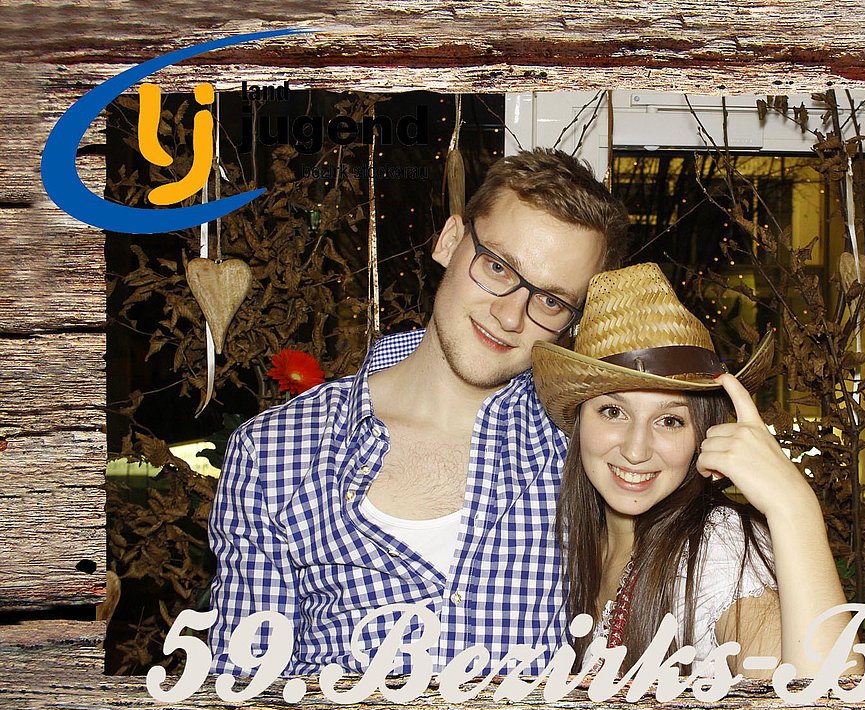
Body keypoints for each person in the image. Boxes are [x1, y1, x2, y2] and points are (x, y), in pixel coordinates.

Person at [207, 148, 628, 677]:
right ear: (450, 240)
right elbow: (245, 689)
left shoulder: (588, 450)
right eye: (498, 267)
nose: (509, 315)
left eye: (550, 301)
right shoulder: (275, 450)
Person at [531, 263, 859, 678]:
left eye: (670, 420)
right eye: (613, 411)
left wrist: (794, 508)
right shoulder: (559, 538)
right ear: (579, 423)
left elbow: (827, 700)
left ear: (702, 436)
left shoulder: (714, 547)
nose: (635, 450)